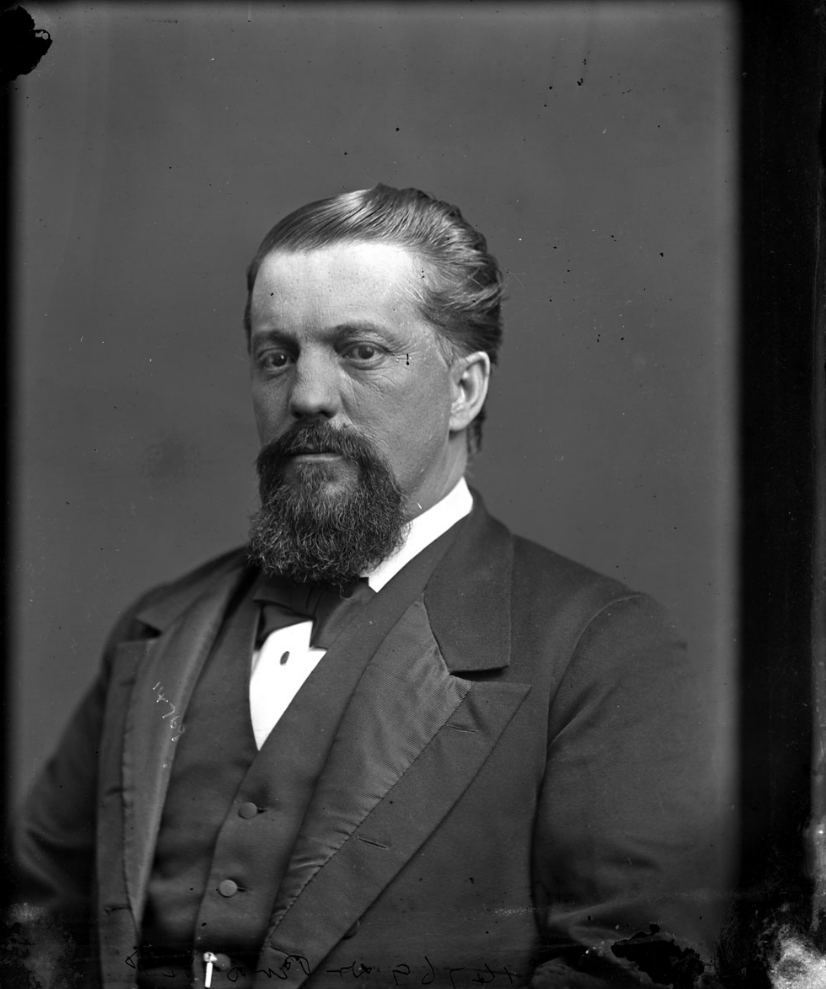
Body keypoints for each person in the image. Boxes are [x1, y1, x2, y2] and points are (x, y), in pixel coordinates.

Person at [9, 185, 728, 989]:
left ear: (465, 390)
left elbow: (636, 967)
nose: (308, 394)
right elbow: (35, 922)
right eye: (277, 355)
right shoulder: (159, 631)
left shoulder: (598, 647)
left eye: (360, 350)